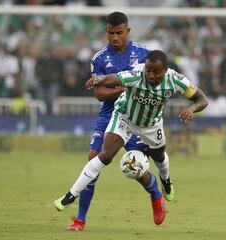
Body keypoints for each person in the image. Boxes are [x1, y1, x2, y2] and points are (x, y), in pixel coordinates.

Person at [54, 50, 209, 226]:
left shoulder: (176, 80)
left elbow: (202, 99)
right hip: (124, 118)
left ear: (166, 70)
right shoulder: (137, 74)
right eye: (148, 70)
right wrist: (100, 80)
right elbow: (115, 78)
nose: (150, 75)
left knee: (159, 156)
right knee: (104, 155)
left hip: (151, 125)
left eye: (155, 72)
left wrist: (192, 109)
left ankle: (166, 181)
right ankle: (71, 195)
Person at [60, 12, 174, 231]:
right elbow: (100, 94)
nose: (115, 38)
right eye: (111, 33)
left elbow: (155, 82)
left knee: (134, 165)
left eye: (119, 33)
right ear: (106, 32)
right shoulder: (99, 58)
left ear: (127, 31)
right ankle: (80, 219)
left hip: (136, 114)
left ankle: (156, 193)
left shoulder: (143, 54)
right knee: (93, 157)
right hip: (110, 113)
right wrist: (124, 86)